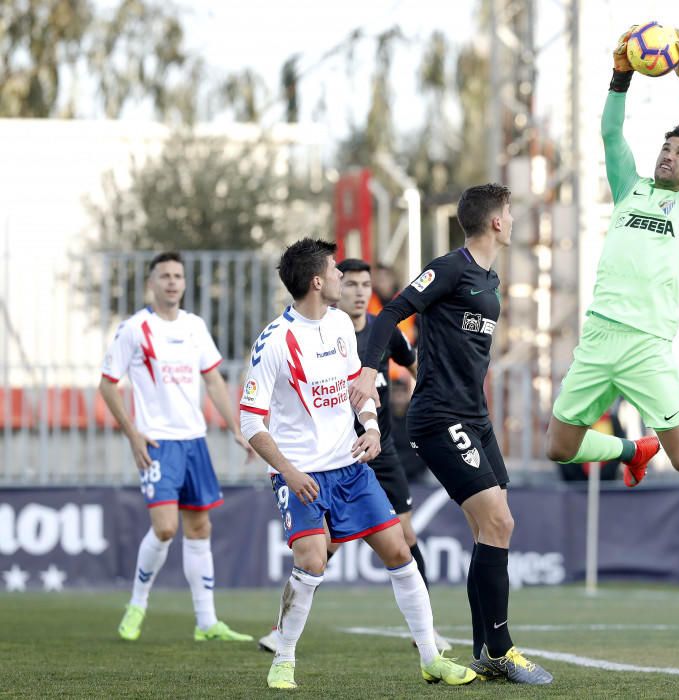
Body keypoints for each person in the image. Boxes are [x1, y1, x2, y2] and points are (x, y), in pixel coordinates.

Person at [544, 28, 679, 537]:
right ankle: (631, 449)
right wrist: (620, 76)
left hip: (646, 346)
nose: (670, 154)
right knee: (559, 446)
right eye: (666, 147)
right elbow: (611, 136)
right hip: (599, 335)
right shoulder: (630, 190)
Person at [239, 238, 474, 690]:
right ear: (316, 281)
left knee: (400, 551)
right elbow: (250, 421)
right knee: (312, 561)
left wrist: (370, 428)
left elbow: (357, 388)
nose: (341, 279)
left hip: (349, 465)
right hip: (301, 473)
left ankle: (430, 657)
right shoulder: (274, 342)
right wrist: (288, 472)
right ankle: (283, 658)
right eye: (334, 271)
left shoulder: (343, 325)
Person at [349, 184, 553, 684]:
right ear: (497, 222)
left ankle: (485, 648)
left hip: (475, 416)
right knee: (499, 524)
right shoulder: (451, 267)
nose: (513, 218)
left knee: (490, 529)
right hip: (440, 416)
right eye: (510, 211)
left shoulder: (490, 277)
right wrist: (366, 371)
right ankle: (502, 650)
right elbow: (391, 312)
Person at [98, 251, 253, 643]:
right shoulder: (134, 329)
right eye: (164, 275)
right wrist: (132, 433)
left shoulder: (195, 327)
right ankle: (137, 604)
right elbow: (106, 384)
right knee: (165, 528)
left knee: (199, 528)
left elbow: (214, 380)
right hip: (157, 442)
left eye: (177, 276)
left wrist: (235, 427)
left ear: (184, 283)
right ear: (151, 283)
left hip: (194, 440)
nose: (171, 281)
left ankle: (206, 623)